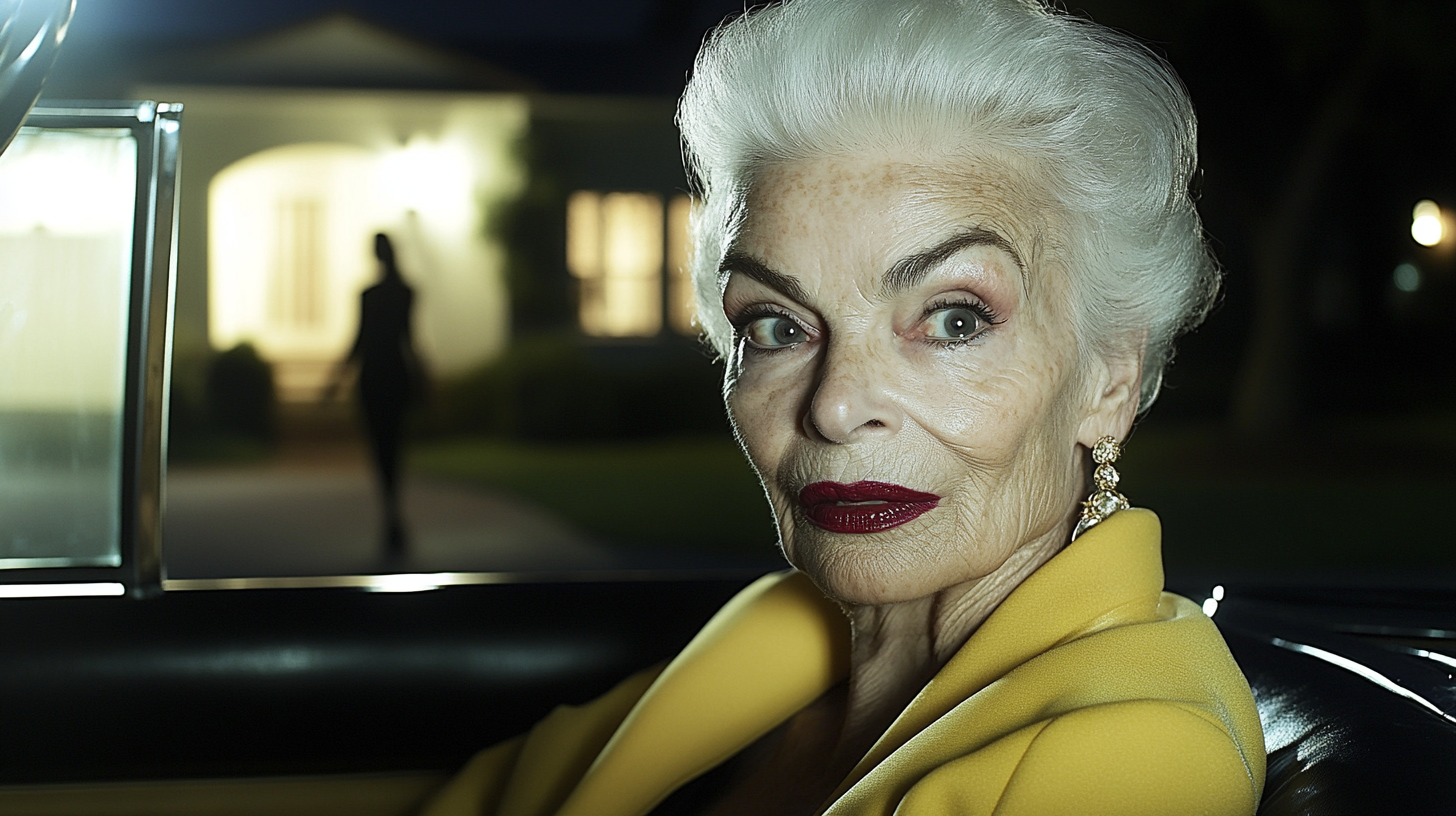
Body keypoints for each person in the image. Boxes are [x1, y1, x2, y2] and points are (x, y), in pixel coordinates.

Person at [422, 1, 1264, 814]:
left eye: (953, 319)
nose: (835, 406)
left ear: (1109, 379)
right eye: (779, 325)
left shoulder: (1131, 756)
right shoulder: (766, 635)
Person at [334, 232, 423, 561]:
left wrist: (336, 379)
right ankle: (392, 510)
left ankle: (390, 511)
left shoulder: (369, 295)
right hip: (395, 374)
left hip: (374, 375)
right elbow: (410, 341)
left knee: (380, 444)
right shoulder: (405, 292)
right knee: (393, 444)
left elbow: (359, 341)